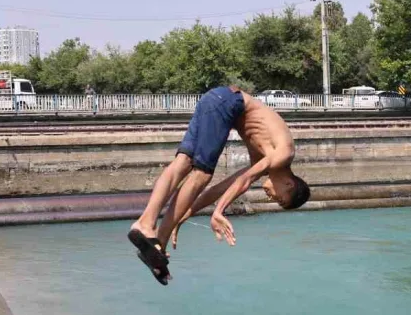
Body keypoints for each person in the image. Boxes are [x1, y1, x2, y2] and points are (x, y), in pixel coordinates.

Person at [127, 85, 310, 284]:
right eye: (280, 199)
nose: (272, 198)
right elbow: (244, 181)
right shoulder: (284, 154)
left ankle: (150, 233)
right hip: (227, 103)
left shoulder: (265, 160)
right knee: (202, 173)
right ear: (290, 185)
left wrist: (184, 215)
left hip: (215, 99)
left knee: (183, 162)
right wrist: (218, 212)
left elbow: (219, 190)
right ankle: (155, 233)